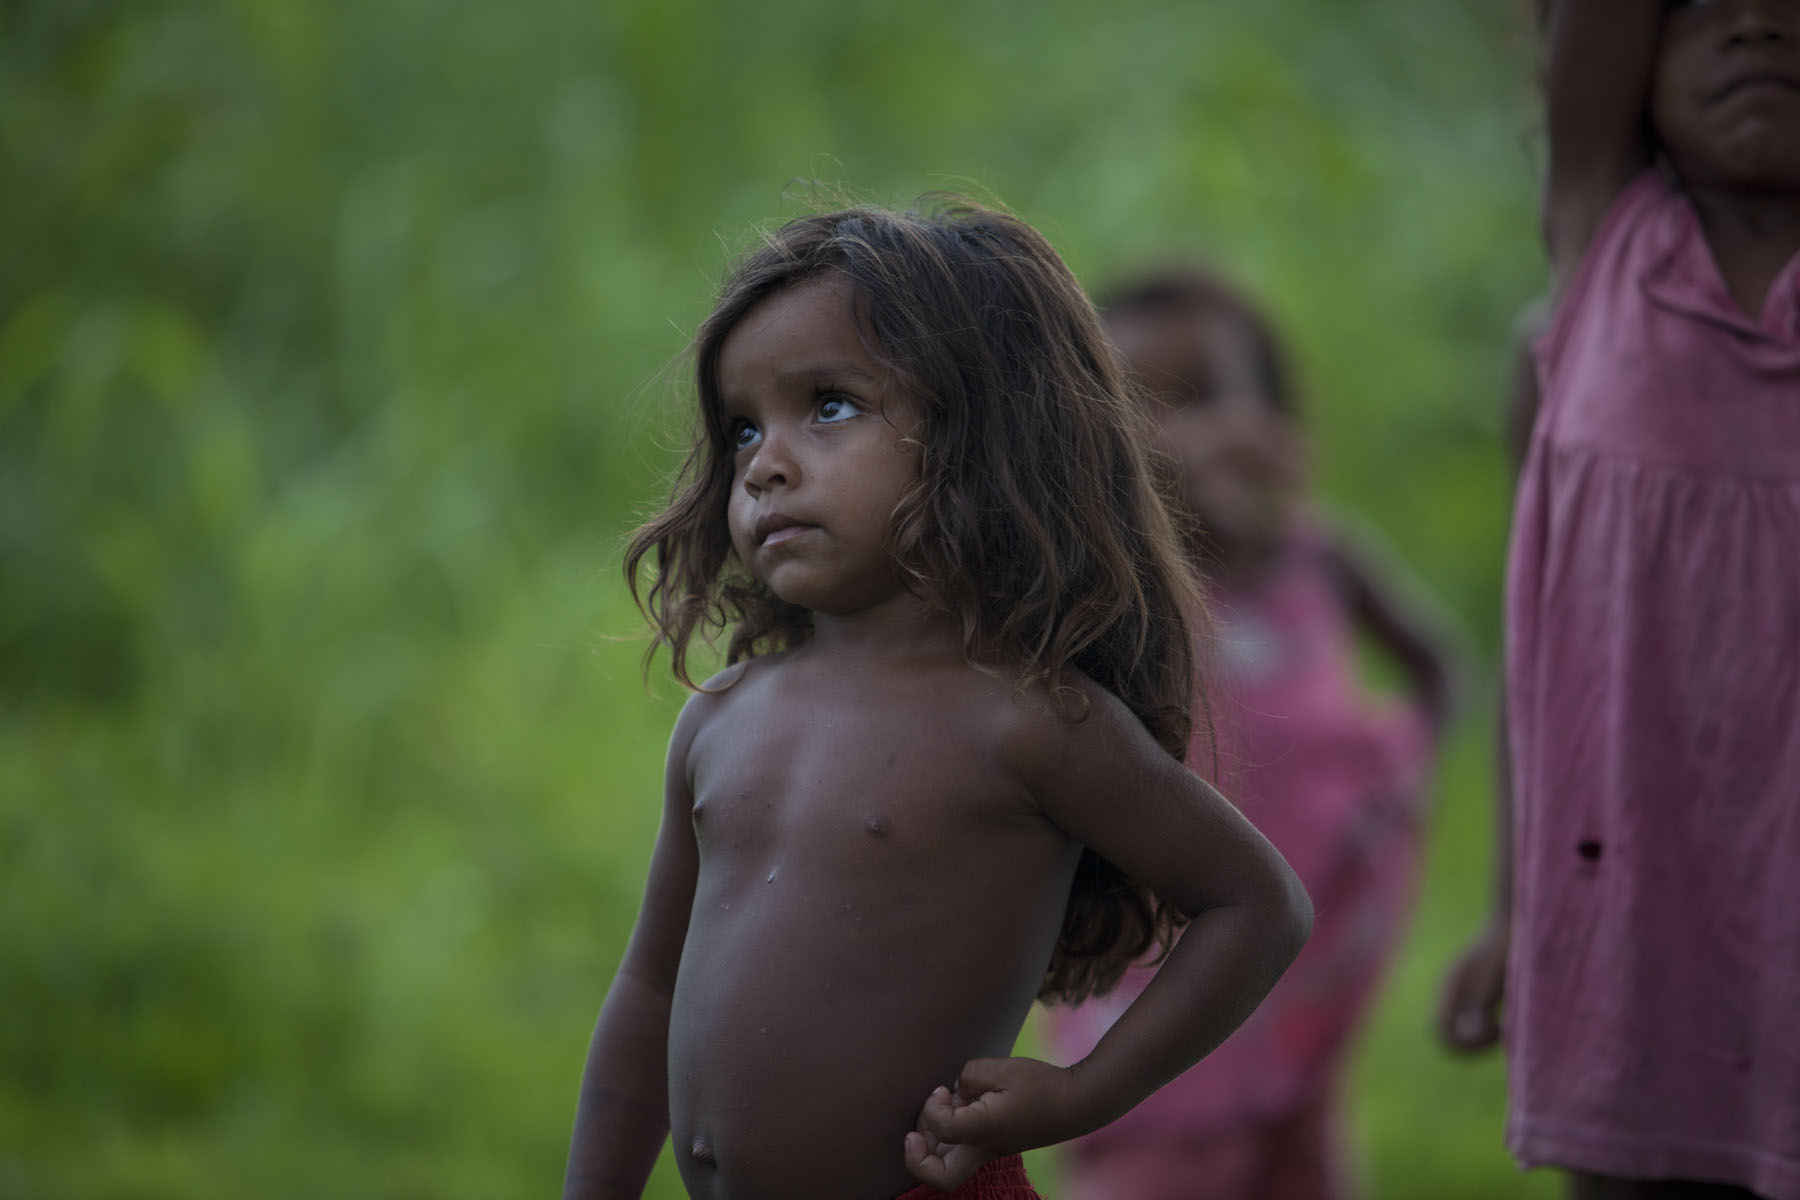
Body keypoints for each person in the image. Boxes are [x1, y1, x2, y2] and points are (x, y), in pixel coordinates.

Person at [561, 199, 1314, 1200]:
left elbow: (1258, 903)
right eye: (742, 426)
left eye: (827, 405)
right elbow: (650, 990)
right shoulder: (722, 719)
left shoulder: (1025, 721)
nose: (765, 462)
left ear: (979, 433)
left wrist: (1082, 1093)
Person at [1437, 0, 1800, 1195]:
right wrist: (1505, 908)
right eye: (1707, 9)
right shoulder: (1599, 255)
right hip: (1625, 891)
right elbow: (1544, 681)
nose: (1758, 28)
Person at [1043, 266, 1457, 1200]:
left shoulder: (1319, 559)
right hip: (1153, 1023)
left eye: (1205, 400)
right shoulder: (1122, 591)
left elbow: (1439, 669)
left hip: (1299, 1010)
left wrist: (1394, 775)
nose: (1178, 435)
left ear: (1269, 419)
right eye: (1142, 409)